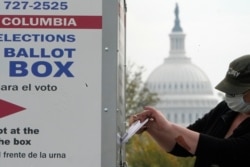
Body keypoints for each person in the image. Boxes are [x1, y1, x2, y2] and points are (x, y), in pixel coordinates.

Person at [131, 54, 250, 167]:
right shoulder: (225, 109)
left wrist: (168, 127)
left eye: (236, 91)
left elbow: (225, 152)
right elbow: (182, 145)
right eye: (228, 90)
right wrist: (152, 126)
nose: (229, 95)